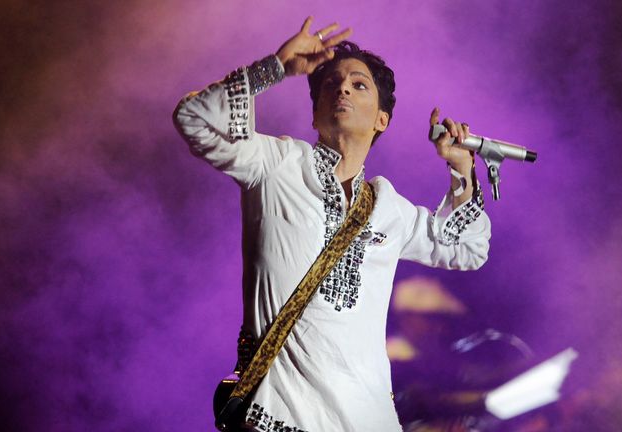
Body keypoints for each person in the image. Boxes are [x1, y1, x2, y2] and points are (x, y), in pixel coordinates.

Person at [173, 17, 491, 432]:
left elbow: (467, 248)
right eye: (330, 85)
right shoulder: (276, 164)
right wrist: (275, 67)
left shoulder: (390, 209)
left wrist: (461, 169)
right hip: (279, 415)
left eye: (359, 84)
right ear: (314, 112)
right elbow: (194, 119)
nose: (341, 88)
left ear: (382, 120)